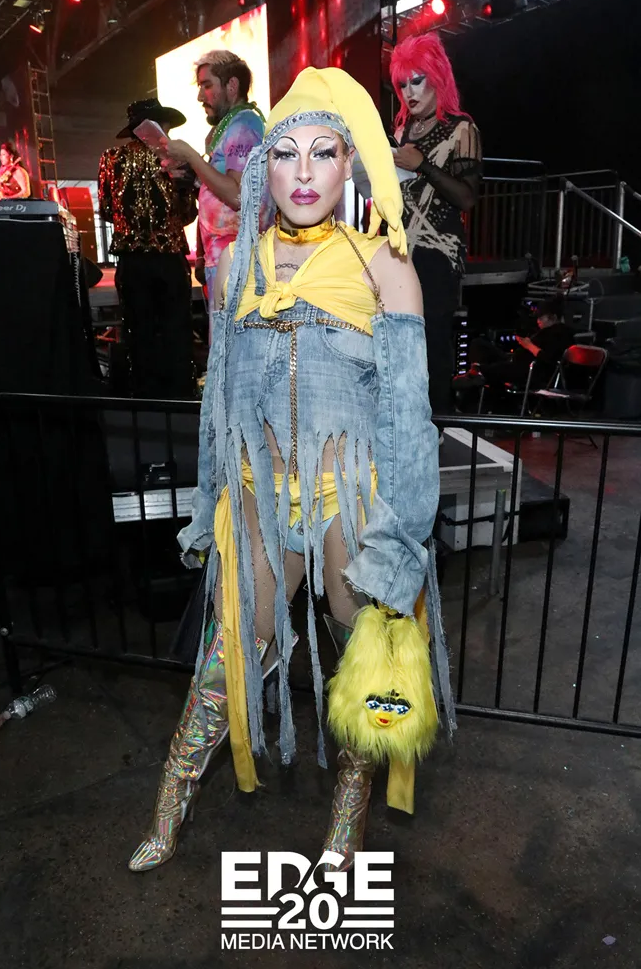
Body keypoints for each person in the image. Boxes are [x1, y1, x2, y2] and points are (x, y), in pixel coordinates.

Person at [127, 66, 455, 874]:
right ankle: (170, 803)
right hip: (259, 499)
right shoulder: (235, 268)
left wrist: (401, 538)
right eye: (285, 153)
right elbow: (217, 406)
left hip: (350, 497)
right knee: (229, 652)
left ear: (349, 166)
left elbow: (410, 419)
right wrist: (209, 502)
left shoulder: (386, 266)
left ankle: (348, 816)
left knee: (362, 661)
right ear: (261, 168)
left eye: (323, 152)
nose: (303, 172)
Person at [390, 34, 482, 416]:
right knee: (398, 342)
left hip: (438, 254)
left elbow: (467, 197)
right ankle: (405, 423)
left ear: (437, 76)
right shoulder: (401, 132)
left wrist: (422, 165)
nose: (409, 92)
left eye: (417, 80)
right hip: (399, 250)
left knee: (432, 343)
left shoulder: (461, 129)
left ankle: (437, 427)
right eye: (402, 84)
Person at [158, 50, 268, 333]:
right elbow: (219, 193)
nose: (200, 96)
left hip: (239, 263)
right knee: (222, 346)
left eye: (207, 86)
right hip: (224, 260)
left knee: (231, 348)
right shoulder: (227, 127)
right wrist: (193, 177)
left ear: (232, 85)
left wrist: (191, 156)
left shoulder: (244, 125)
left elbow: (237, 195)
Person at [98, 98, 198, 398]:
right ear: (158, 124)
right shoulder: (174, 159)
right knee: (176, 329)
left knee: (138, 330)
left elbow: (106, 209)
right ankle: (179, 396)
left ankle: (145, 398)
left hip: (131, 259)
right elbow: (187, 212)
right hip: (169, 258)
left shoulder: (111, 158)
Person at [455, 295, 575, 401]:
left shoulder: (559, 334)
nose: (538, 321)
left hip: (527, 370)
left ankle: (476, 377)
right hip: (515, 360)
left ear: (553, 317)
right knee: (479, 344)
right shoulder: (544, 331)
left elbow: (549, 359)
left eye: (541, 318)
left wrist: (529, 345)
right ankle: (477, 374)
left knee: (490, 369)